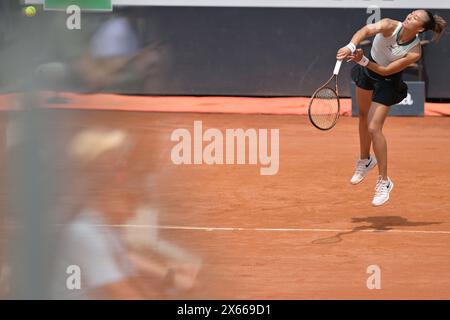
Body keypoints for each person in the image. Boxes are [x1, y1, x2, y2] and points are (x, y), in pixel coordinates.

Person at [336, 10, 448, 206]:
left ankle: (384, 181)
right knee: (363, 117)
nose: (410, 16)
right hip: (367, 71)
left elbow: (386, 70)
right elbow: (366, 30)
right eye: (412, 13)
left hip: (387, 81)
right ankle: (365, 160)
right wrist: (351, 46)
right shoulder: (389, 25)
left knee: (373, 127)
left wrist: (362, 60)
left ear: (420, 29)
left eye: (415, 18)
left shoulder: (414, 52)